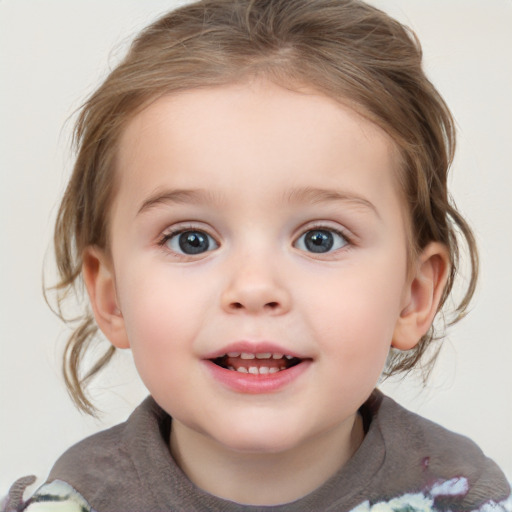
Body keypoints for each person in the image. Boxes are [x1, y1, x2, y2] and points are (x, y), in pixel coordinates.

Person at [2, 0, 510, 510]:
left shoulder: (463, 499)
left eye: (320, 239)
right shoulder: (70, 502)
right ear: (111, 297)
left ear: (414, 295)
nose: (253, 288)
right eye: (191, 240)